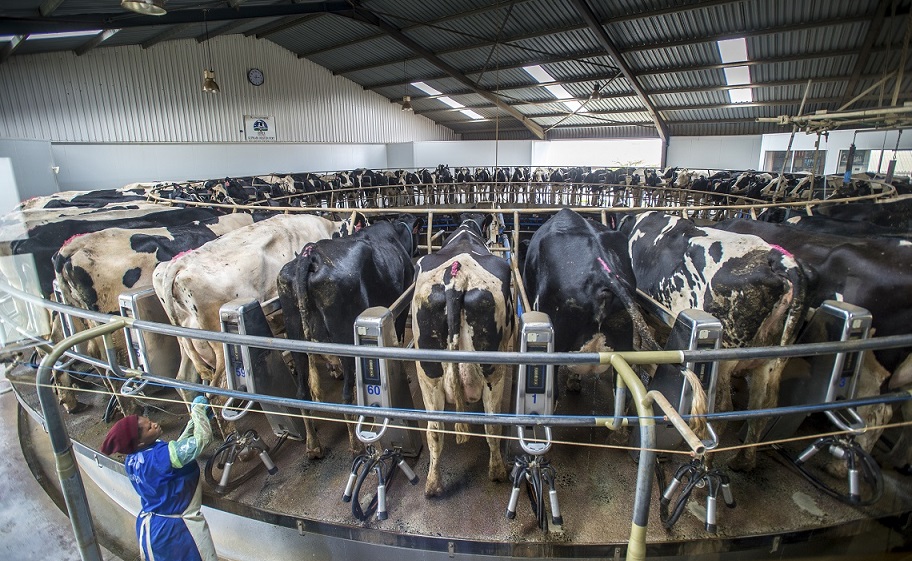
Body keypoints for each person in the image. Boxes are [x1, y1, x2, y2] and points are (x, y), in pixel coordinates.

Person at [101, 396, 217, 561]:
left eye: (150, 421)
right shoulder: (158, 458)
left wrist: (195, 421)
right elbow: (203, 440)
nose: (154, 424)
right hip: (177, 531)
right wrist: (198, 412)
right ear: (139, 443)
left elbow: (177, 450)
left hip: (155, 527)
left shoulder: (133, 459)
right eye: (149, 428)